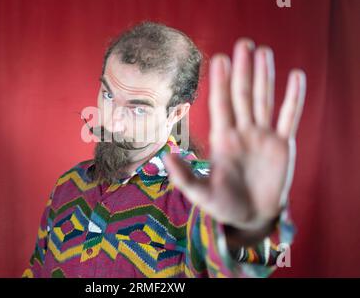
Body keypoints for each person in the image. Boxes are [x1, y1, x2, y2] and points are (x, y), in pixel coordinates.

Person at [23, 21, 306, 278]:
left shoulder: (201, 193)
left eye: (137, 109)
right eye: (108, 94)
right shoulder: (67, 186)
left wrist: (249, 226)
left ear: (177, 113)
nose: (112, 121)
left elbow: (239, 266)